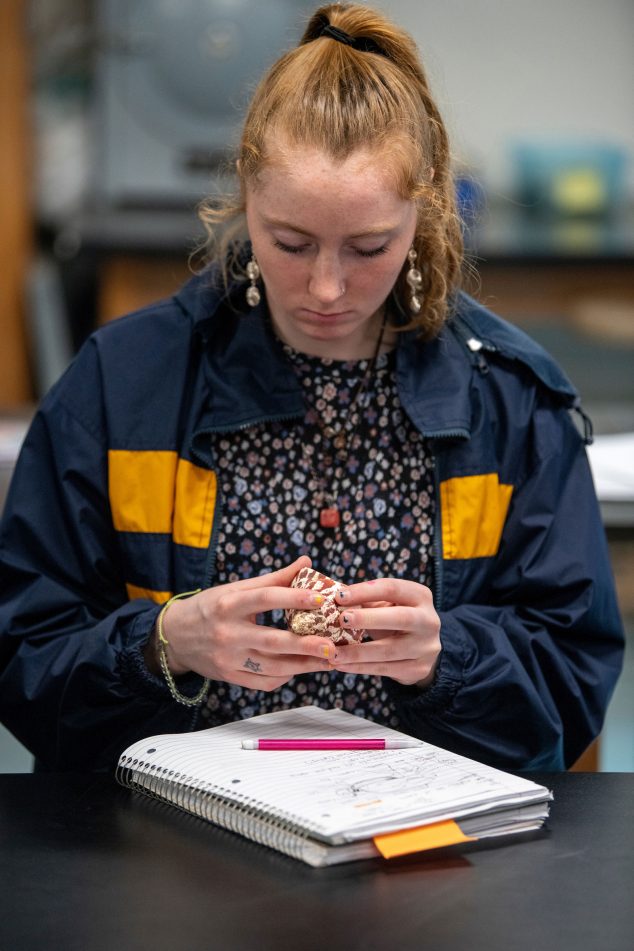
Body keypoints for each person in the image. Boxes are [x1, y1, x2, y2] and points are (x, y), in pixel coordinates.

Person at [0, 3, 624, 773]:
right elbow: (23, 655)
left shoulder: (512, 399)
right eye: (290, 242)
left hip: (423, 842)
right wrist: (165, 643)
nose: (326, 288)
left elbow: (573, 676)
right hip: (177, 840)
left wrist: (446, 656)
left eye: (369, 247)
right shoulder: (121, 385)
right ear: (245, 199)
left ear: (423, 212)